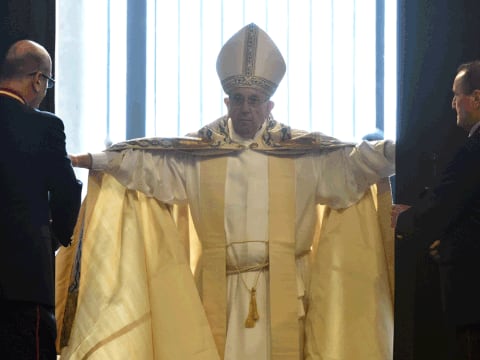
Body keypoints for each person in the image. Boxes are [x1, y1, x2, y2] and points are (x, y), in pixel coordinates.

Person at [63, 23, 395, 359]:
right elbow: (147, 166)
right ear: (227, 101)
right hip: (217, 289)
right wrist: (94, 160)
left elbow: (352, 165)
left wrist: (395, 153)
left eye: (254, 100)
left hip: (285, 289)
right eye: (238, 99)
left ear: (270, 106)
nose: (245, 108)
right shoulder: (201, 151)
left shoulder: (301, 153)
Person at [0, 40, 82, 359]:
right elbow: (65, 191)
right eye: (47, 82)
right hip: (24, 285)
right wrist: (52, 239)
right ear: (37, 80)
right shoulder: (44, 126)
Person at [394, 60, 480, 359]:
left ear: (477, 98)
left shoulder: (475, 149)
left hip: (473, 294)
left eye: (457, 94)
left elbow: (445, 203)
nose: (453, 103)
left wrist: (403, 219)